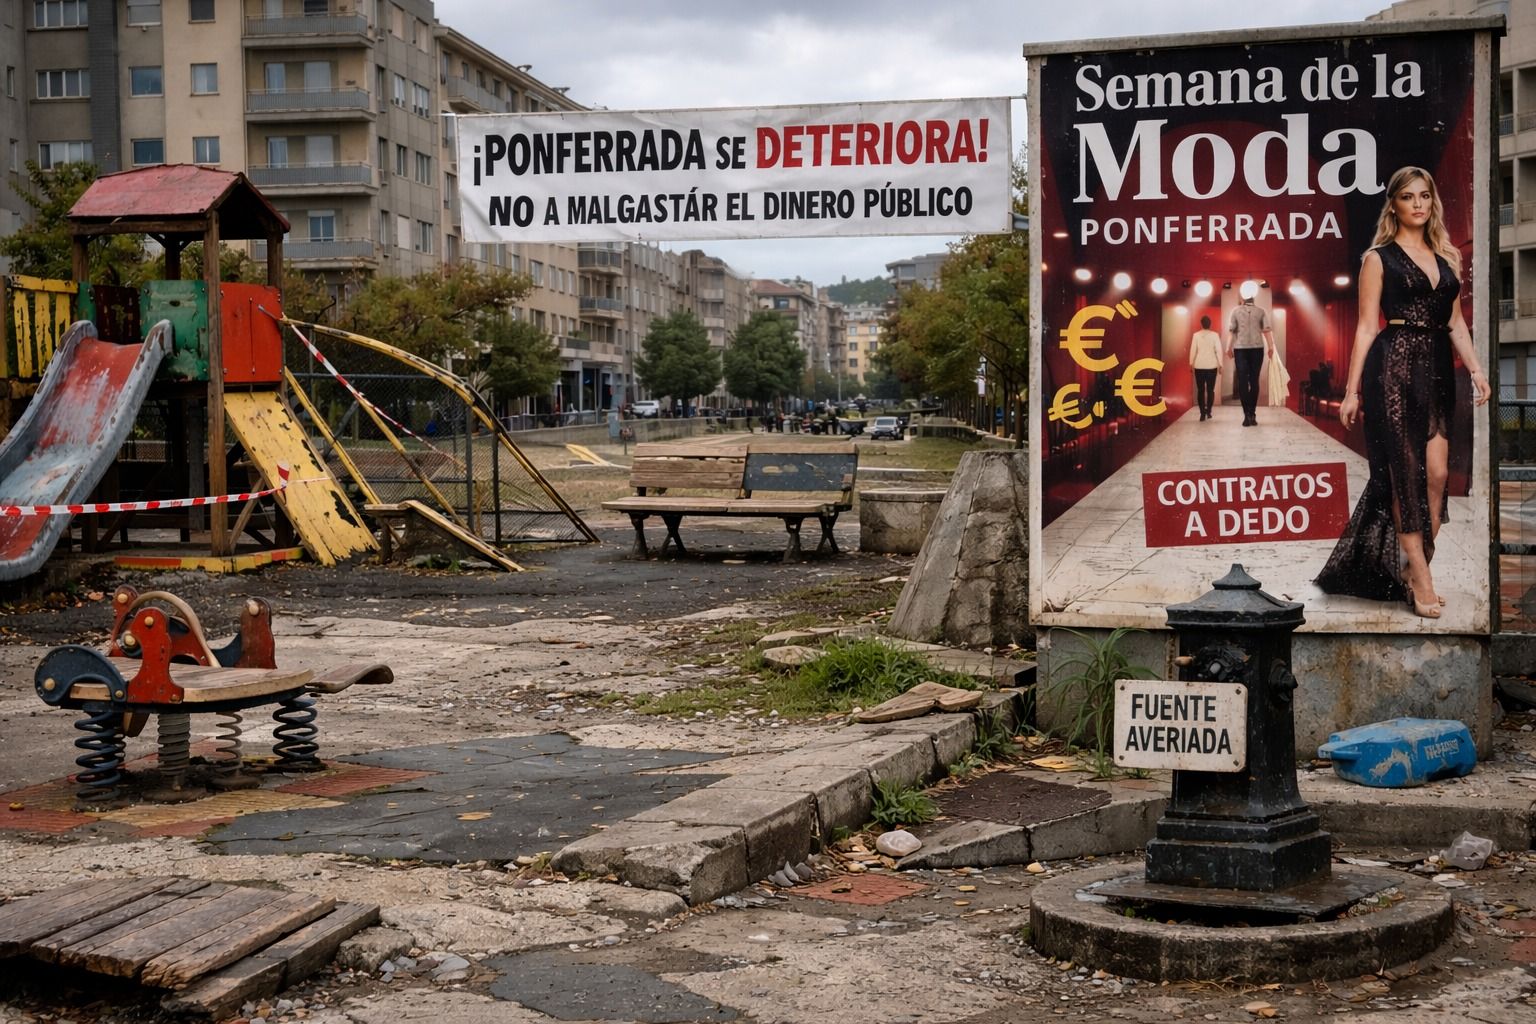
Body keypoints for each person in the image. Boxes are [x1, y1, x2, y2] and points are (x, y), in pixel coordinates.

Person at [1315, 166, 1491, 618]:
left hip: (1435, 371)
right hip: (1391, 368)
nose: (1418, 204)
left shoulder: (1446, 257)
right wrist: (1352, 391)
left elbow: (1455, 322)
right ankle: (1423, 579)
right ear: (1393, 204)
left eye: (1425, 196)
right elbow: (1364, 328)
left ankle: (1415, 570)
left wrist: (1475, 370)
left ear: (1432, 203)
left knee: (1435, 476)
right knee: (1404, 478)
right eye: (1409, 197)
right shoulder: (1378, 258)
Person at [1226, 284, 1274, 426]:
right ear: (1254, 296)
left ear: (1242, 296)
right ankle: (1252, 413)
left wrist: (1228, 347)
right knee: (1254, 380)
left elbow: (1231, 331)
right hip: (1257, 349)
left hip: (1240, 349)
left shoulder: (1235, 311)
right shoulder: (1261, 311)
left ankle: (1247, 414)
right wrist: (1271, 347)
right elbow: (1267, 331)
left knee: (1242, 380)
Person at [1189, 314, 1223, 421]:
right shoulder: (1215, 335)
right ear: (1210, 324)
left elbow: (1193, 350)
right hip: (1212, 366)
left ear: (1201, 324)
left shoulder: (1196, 335)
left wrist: (1191, 363)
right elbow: (1219, 351)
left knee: (1200, 390)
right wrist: (1220, 364)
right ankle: (1209, 412)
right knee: (1210, 390)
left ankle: (1202, 414)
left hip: (1199, 366)